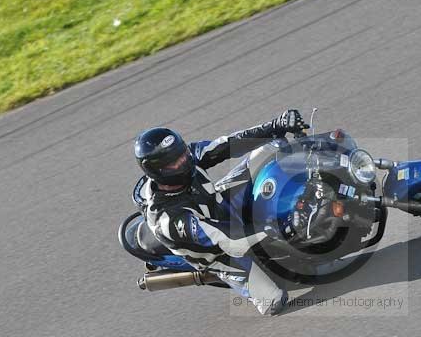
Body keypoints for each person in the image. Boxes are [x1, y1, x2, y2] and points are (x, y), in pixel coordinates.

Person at [132, 109, 309, 315]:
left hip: (220, 202)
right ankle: (234, 276)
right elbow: (229, 239)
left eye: (182, 154)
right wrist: (282, 226)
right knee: (274, 301)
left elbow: (228, 144)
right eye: (174, 162)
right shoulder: (169, 219)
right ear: (156, 171)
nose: (183, 161)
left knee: (274, 147)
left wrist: (275, 125)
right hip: (220, 252)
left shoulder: (186, 156)